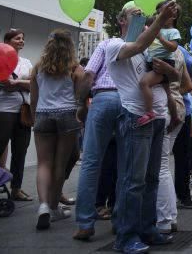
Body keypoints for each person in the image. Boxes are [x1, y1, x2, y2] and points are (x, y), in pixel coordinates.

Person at [110, 1, 180, 254]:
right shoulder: (114, 45)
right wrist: (161, 20)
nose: (141, 20)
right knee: (134, 180)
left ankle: (147, 229)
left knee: (150, 179)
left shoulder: (148, 50)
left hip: (156, 119)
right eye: (134, 16)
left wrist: (169, 69)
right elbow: (137, 44)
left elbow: (176, 79)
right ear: (121, 21)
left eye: (143, 16)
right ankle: (126, 236)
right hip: (135, 118)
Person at [30, 30, 87, 230]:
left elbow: (34, 99)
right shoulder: (75, 68)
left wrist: (32, 119)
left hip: (43, 115)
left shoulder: (37, 68)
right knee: (60, 165)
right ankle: (54, 207)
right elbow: (80, 96)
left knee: (43, 164)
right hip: (67, 115)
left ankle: (44, 206)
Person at [73, 38, 120, 240]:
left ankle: (85, 223)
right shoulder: (141, 44)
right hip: (129, 101)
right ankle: (120, 221)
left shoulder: (106, 43)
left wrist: (81, 103)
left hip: (103, 98)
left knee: (91, 163)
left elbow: (89, 74)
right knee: (126, 164)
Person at [0, 28, 34, 202]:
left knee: (20, 151)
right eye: (17, 38)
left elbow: (33, 84)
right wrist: (22, 83)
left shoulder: (27, 62)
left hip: (23, 111)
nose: (21, 41)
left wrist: (17, 82)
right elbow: (3, 83)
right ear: (7, 41)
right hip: (2, 111)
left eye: (22, 38)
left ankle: (16, 189)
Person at [156, 47, 192, 235]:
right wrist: (175, 92)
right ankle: (169, 216)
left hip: (164, 108)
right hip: (179, 107)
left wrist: (167, 94)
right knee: (164, 165)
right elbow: (188, 84)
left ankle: (165, 219)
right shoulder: (178, 51)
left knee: (160, 166)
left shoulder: (155, 47)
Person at [137, 2, 182, 127]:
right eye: (158, 13)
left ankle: (149, 112)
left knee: (144, 83)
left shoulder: (173, 31)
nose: (159, 16)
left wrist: (161, 38)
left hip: (164, 63)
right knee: (168, 93)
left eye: (162, 13)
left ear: (173, 16)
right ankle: (175, 117)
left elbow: (173, 47)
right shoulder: (156, 28)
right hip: (154, 61)